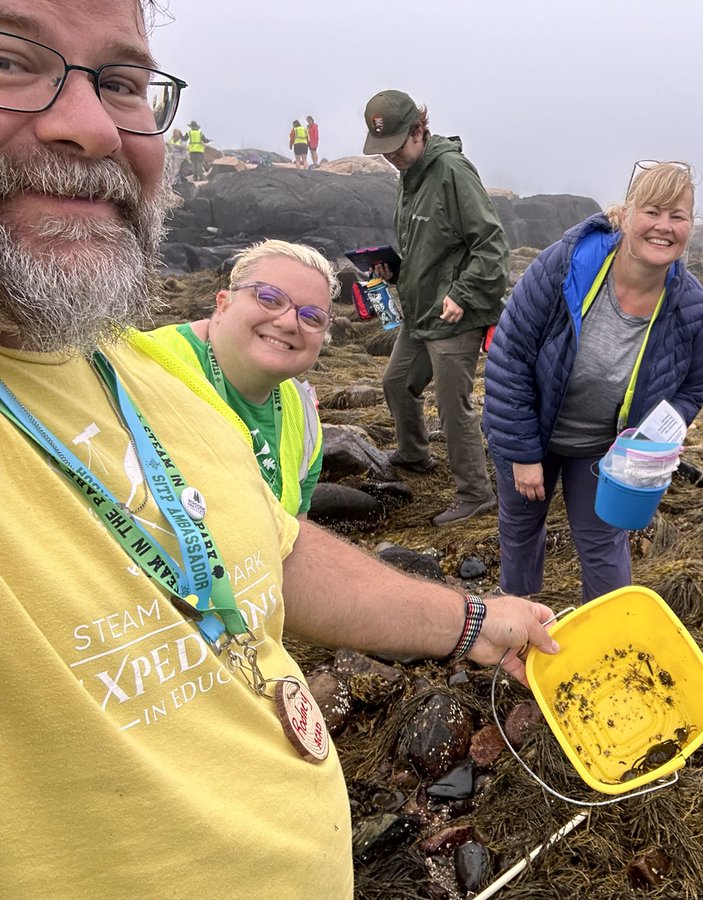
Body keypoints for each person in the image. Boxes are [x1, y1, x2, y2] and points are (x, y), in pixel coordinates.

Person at [0, 2, 557, 896]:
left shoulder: (139, 384)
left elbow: (275, 551)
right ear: (216, 304)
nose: (91, 126)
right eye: (10, 59)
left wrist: (475, 620)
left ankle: (459, 478)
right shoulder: (165, 362)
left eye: (125, 83)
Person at [482, 161, 703, 602]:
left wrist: (653, 438)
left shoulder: (691, 306)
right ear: (626, 214)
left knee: (604, 545)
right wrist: (523, 454)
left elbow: (694, 386)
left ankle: (612, 637)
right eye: (652, 211)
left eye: (678, 216)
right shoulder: (568, 264)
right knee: (520, 530)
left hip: (604, 450)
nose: (663, 227)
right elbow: (510, 354)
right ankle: (515, 624)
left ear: (691, 226)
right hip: (531, 431)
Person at [362, 89, 508, 527]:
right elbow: (430, 245)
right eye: (383, 152)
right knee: (396, 383)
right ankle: (414, 455)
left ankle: (476, 494)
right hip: (421, 311)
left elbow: (492, 245)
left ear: (420, 131)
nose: (391, 159)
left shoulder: (450, 170)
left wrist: (462, 294)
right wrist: (394, 269)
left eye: (396, 149)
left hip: (456, 314)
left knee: (452, 404)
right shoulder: (410, 176)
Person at [147, 239, 335, 517]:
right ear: (223, 304)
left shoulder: (305, 418)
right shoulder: (144, 366)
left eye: (311, 318)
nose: (288, 323)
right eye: (270, 299)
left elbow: (297, 533)